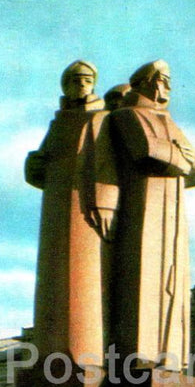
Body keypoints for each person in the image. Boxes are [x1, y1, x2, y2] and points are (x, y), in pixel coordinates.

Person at [108, 59, 195, 369]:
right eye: (164, 78)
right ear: (150, 82)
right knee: (144, 273)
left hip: (173, 211)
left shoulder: (170, 121)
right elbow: (146, 150)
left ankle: (168, 355)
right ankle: (141, 352)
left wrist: (182, 159)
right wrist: (181, 157)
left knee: (172, 278)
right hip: (143, 204)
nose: (169, 86)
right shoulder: (128, 115)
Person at [25, 60, 118, 366]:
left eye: (87, 79)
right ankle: (55, 351)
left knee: (83, 278)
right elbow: (42, 161)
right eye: (75, 79)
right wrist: (34, 165)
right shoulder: (59, 121)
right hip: (55, 208)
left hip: (84, 206)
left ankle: (82, 353)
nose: (81, 84)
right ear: (65, 84)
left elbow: (107, 166)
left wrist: (104, 202)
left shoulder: (102, 118)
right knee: (54, 279)